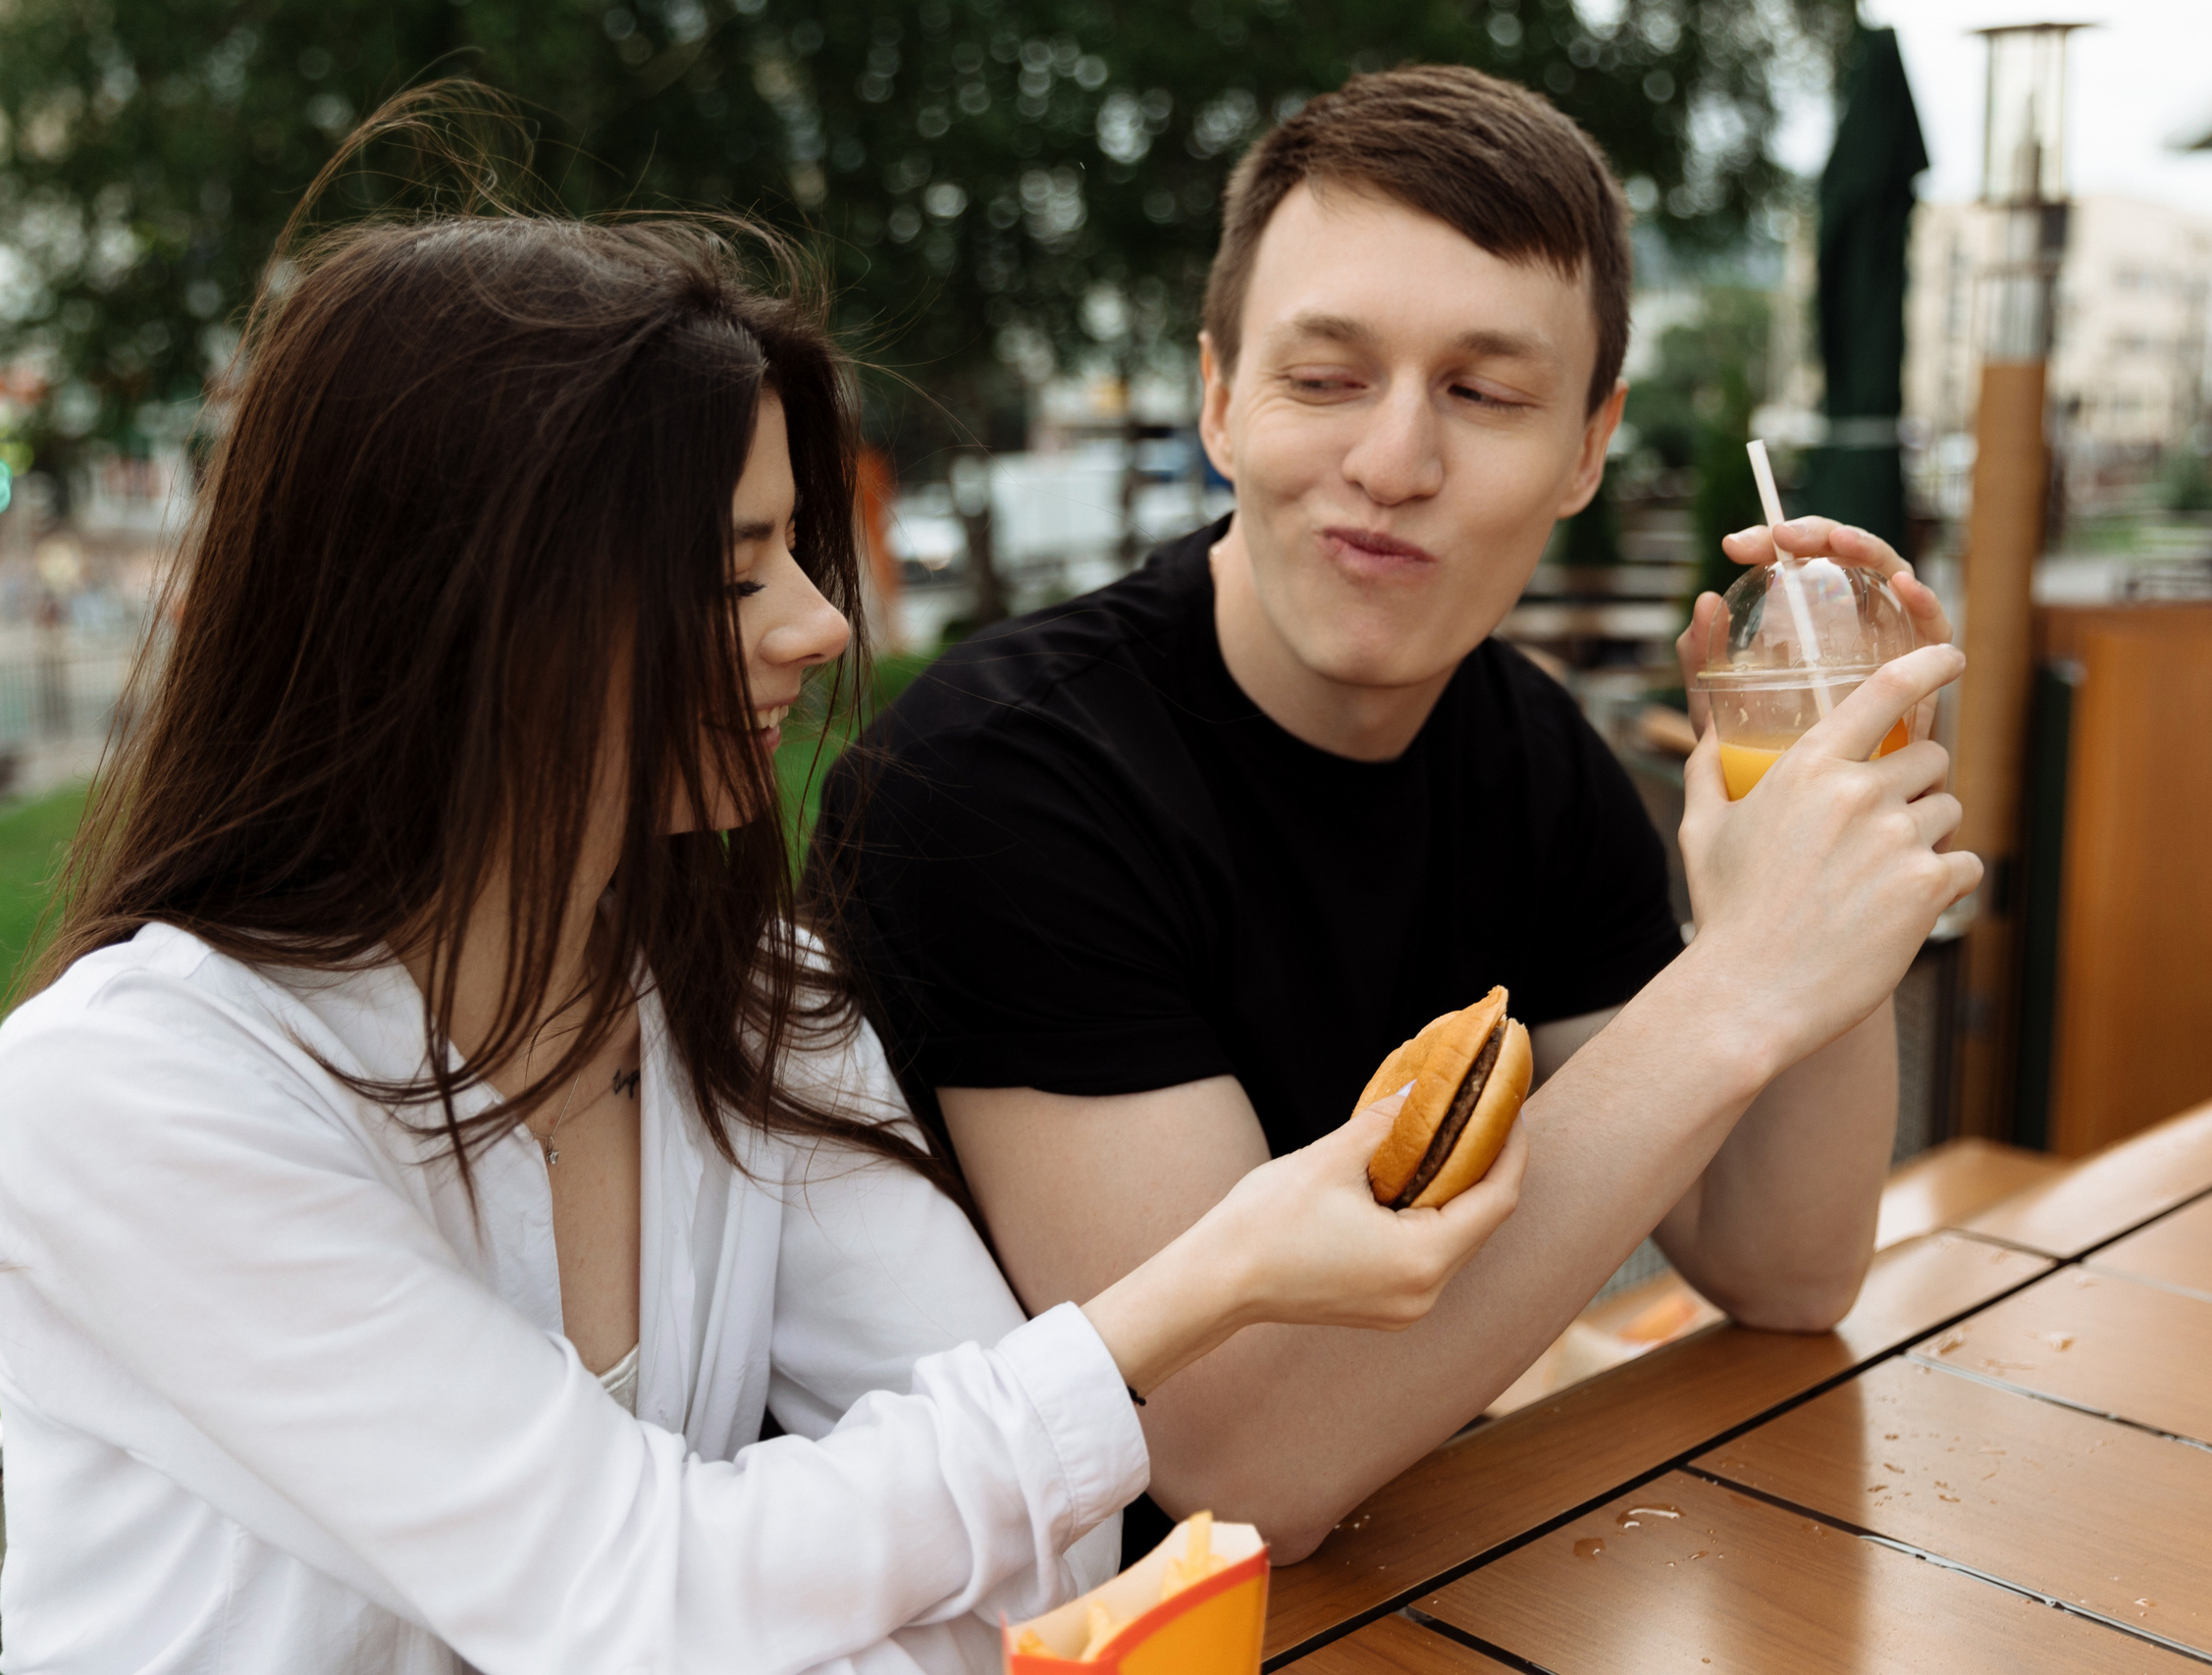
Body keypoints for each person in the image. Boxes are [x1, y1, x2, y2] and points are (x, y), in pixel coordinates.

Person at [0, 95, 1526, 1675]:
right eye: (727, 573)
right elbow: (646, 1596)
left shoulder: (751, 996)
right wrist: (1200, 1285)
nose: (823, 627)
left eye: (797, 552)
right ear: (456, 621)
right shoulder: (141, 1098)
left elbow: (1035, 1560)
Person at [815, 65, 1979, 1564]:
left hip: (1411, 1579)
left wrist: (1834, 852)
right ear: (1221, 399)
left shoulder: (1533, 759)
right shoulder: (993, 777)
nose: (1393, 464)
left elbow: (1785, 1268)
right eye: (1325, 377)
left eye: (1485, 394)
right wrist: (1739, 977)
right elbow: (1238, 1460)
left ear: (1586, 447)